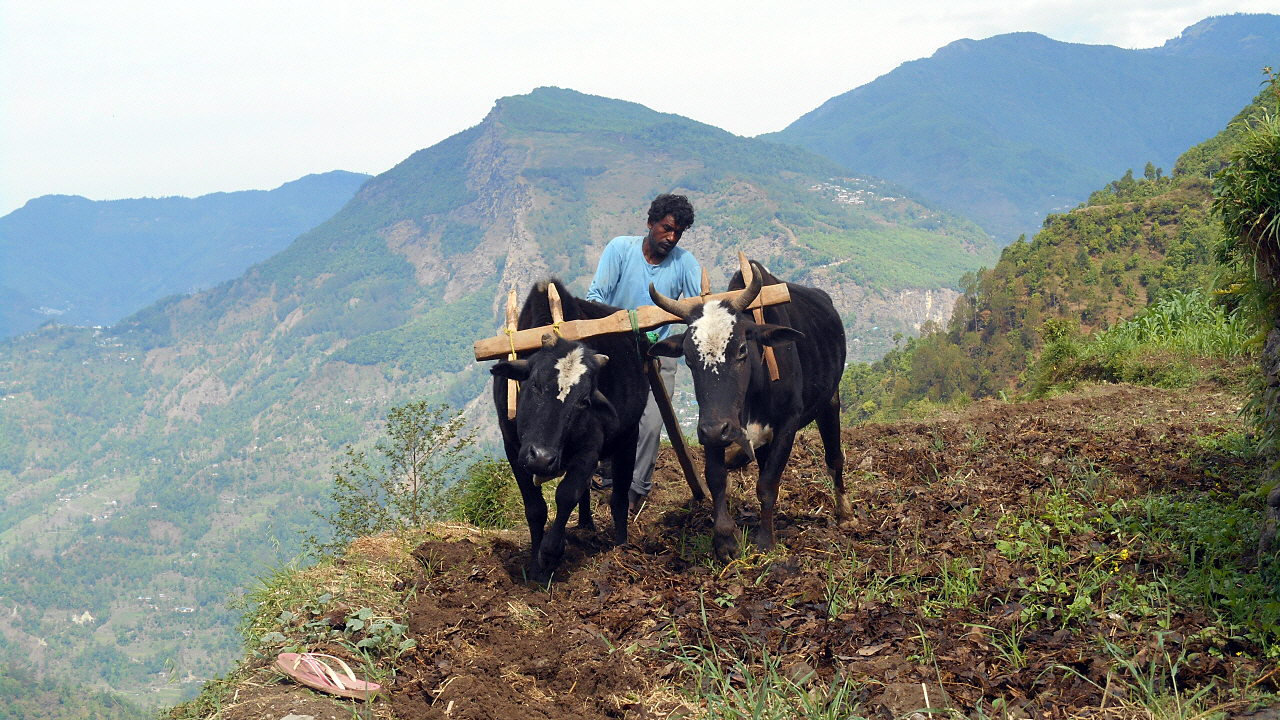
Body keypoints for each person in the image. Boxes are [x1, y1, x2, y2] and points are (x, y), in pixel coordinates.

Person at [587, 193, 702, 513]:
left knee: (651, 424)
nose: (671, 237)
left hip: (658, 354)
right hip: (616, 351)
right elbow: (595, 297)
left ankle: (636, 492)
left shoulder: (686, 264)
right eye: (666, 228)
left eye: (678, 233)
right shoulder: (620, 250)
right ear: (650, 223)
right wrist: (621, 331)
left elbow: (696, 312)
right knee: (603, 412)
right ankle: (600, 470)